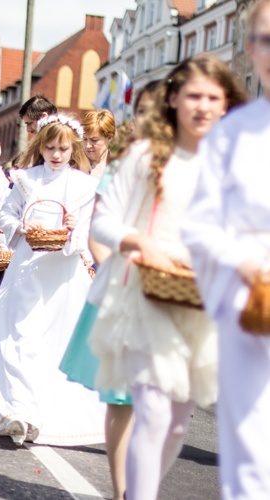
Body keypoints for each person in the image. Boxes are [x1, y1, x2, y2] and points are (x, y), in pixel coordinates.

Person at [88, 54, 246, 500]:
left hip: (201, 300)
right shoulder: (145, 154)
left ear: (225, 104)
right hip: (145, 292)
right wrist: (140, 242)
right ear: (173, 98)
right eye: (193, 95)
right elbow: (103, 222)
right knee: (153, 411)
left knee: (177, 421)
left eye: (213, 98)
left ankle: (143, 489)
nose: (203, 106)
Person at [0, 114, 106, 447]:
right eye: (50, 147)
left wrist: (74, 227)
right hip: (29, 265)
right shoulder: (27, 179)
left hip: (62, 273)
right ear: (40, 146)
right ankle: (19, 412)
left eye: (62, 148)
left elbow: (89, 231)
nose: (56, 155)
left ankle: (43, 413)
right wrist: (21, 228)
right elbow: (7, 212)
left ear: (72, 149)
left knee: (52, 344)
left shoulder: (84, 185)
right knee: (19, 335)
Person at [182, 4, 270, 497]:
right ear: (251, 49)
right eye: (265, 40)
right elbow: (199, 224)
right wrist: (242, 260)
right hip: (247, 300)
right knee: (251, 444)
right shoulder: (231, 134)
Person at [58, 82, 157, 500]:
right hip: (126, 284)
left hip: (176, 295)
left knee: (161, 406)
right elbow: (98, 226)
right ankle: (123, 494)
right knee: (122, 398)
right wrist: (105, 265)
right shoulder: (123, 167)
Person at [81, 110, 116, 179]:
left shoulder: (117, 168)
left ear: (109, 138)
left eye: (94, 140)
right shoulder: (73, 164)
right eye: (84, 139)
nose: (87, 145)